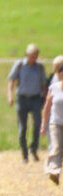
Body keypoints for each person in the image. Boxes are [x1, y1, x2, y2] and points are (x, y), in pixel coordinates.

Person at [8, 44, 47, 162]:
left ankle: (33, 148)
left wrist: (45, 99)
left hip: (35, 98)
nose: (34, 59)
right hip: (22, 98)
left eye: (36, 56)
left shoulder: (39, 67)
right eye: (32, 56)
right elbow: (11, 80)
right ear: (27, 55)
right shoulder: (19, 65)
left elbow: (43, 84)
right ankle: (24, 153)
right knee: (22, 127)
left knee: (37, 124)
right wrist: (10, 96)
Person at [41, 55, 63, 185]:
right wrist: (43, 126)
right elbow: (46, 107)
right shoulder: (53, 87)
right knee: (56, 147)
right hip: (55, 123)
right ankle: (53, 171)